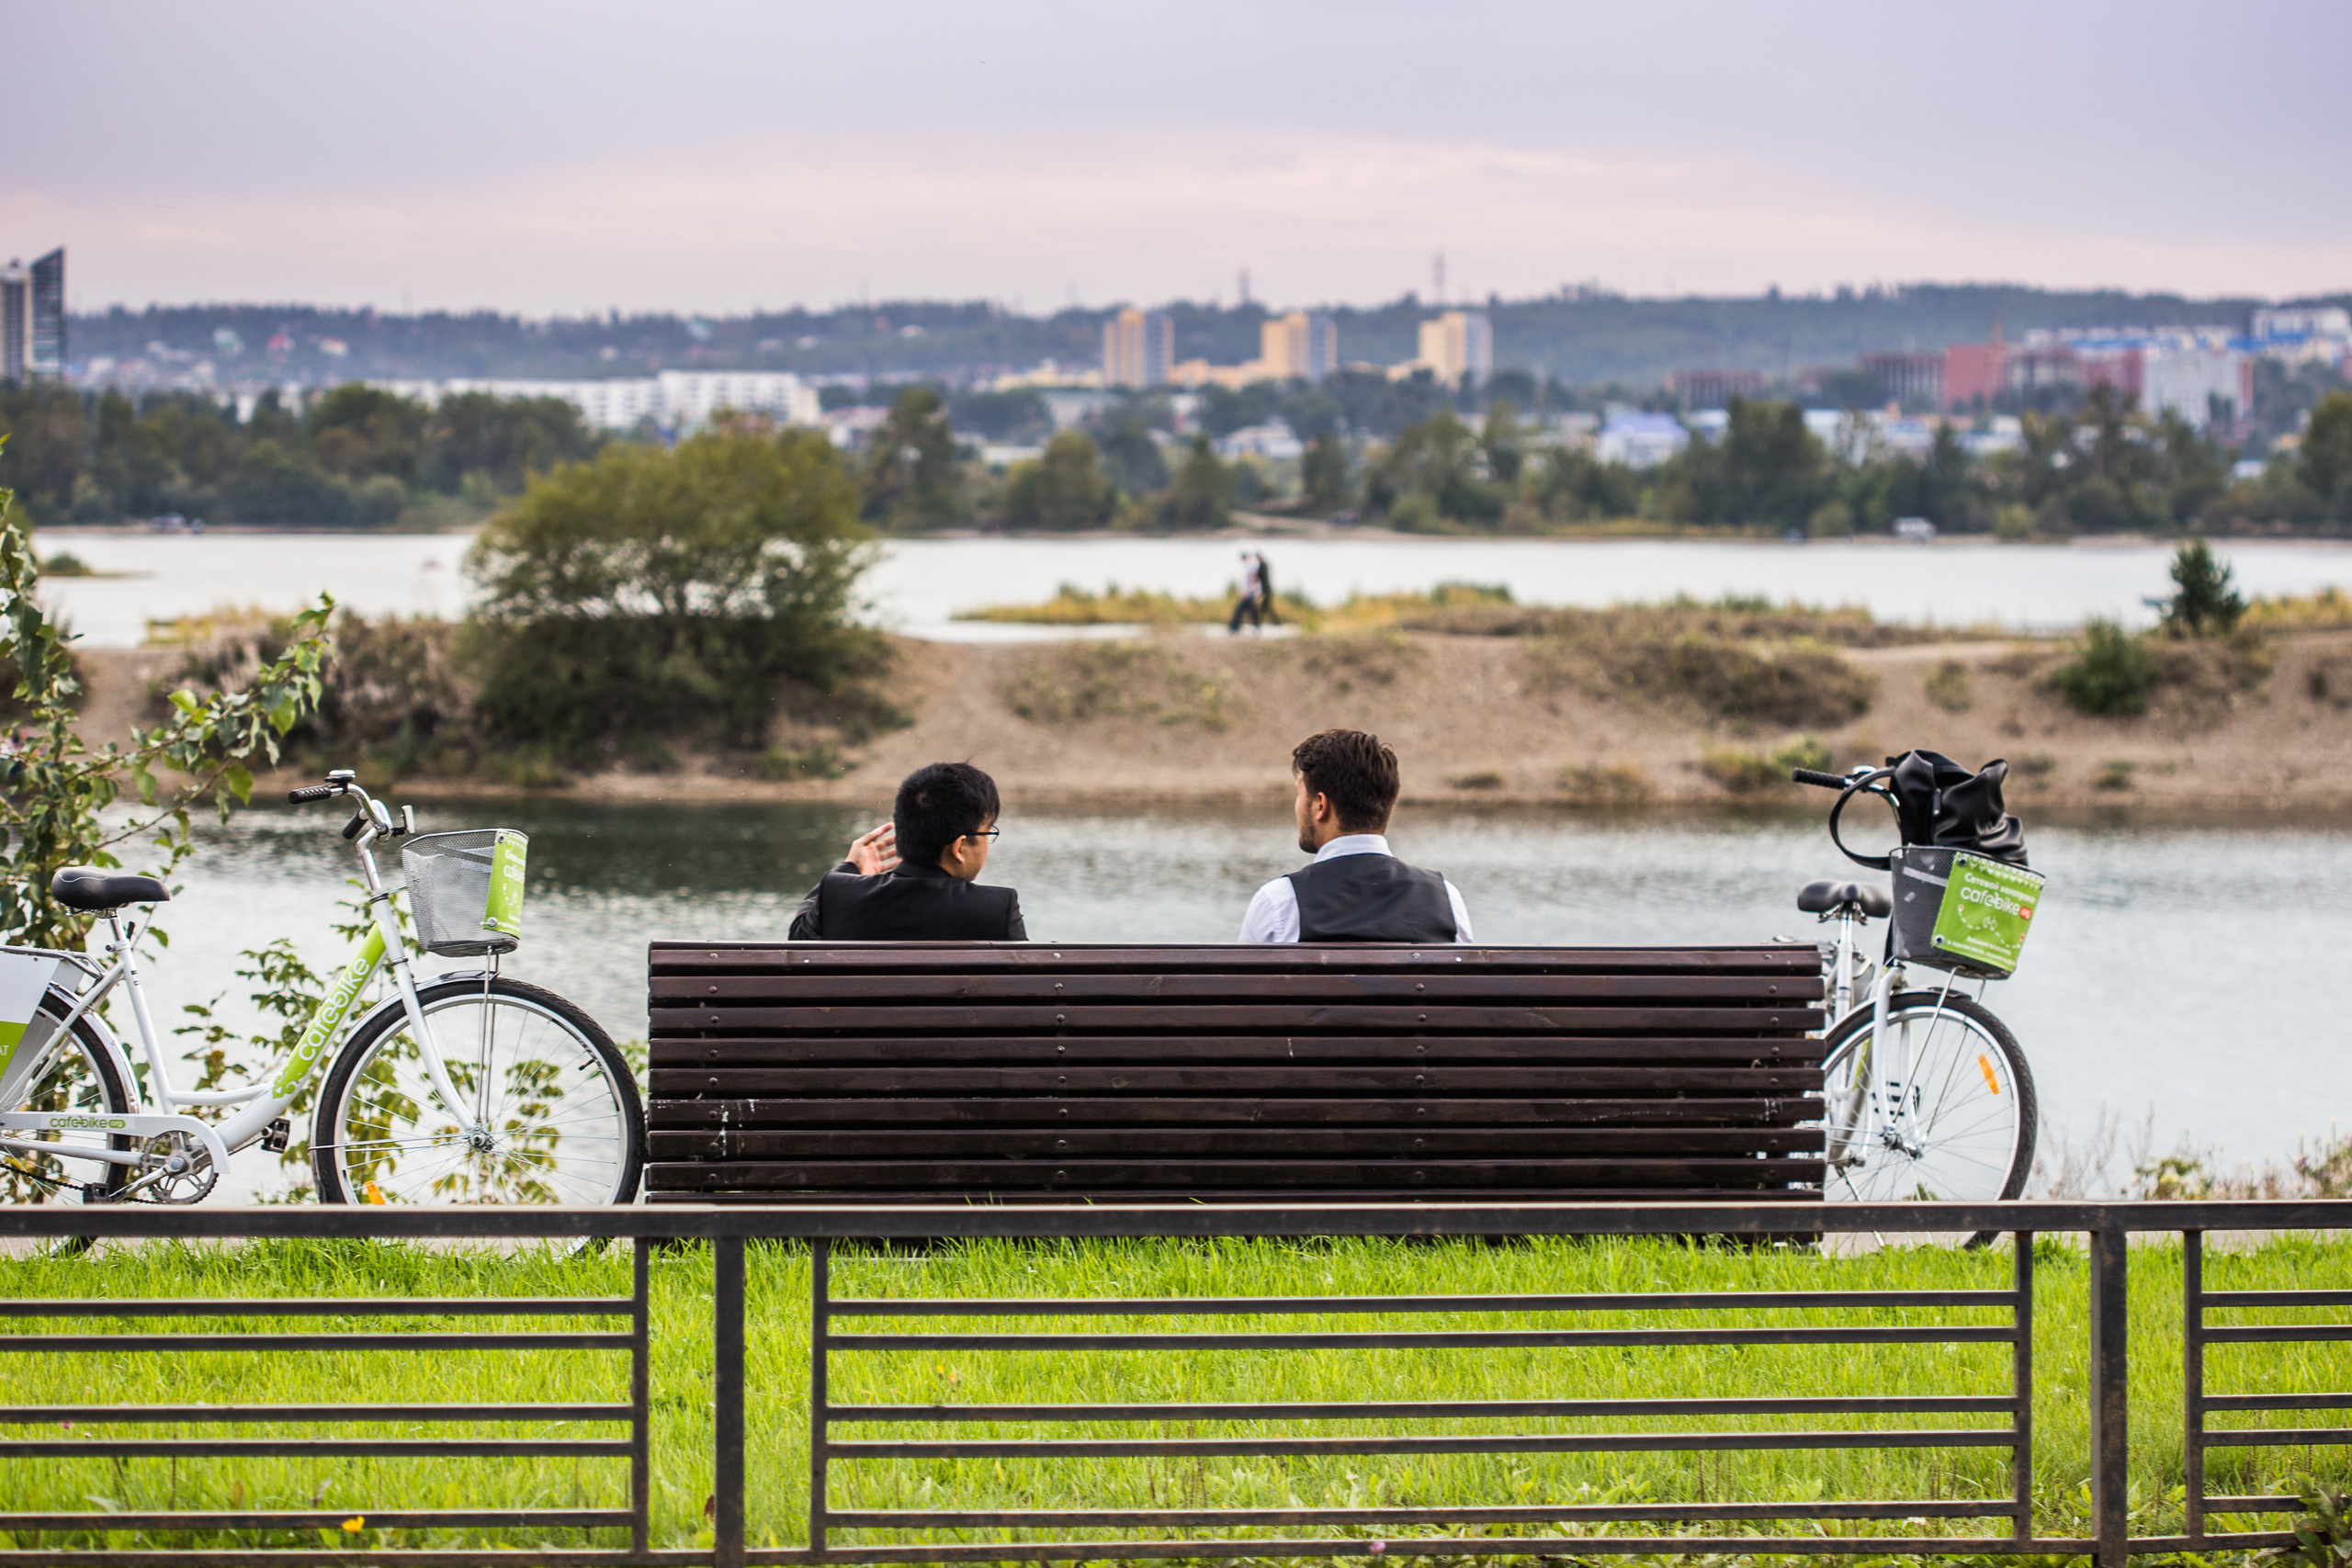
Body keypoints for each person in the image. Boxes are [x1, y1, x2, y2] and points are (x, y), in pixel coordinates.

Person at [1237, 728, 1474, 943]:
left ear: (1320, 805)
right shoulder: (1446, 899)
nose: (1297, 806)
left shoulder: (1278, 903)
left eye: (1300, 794)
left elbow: (1242, 989)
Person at [788, 761, 1026, 940]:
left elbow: (798, 940)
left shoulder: (838, 894)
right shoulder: (996, 910)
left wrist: (849, 866)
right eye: (988, 832)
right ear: (960, 847)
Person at [1227, 551, 1262, 635]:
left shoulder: (1250, 567)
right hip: (1249, 594)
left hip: (1250, 594)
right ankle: (1235, 628)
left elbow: (1253, 581)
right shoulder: (1249, 566)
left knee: (1245, 610)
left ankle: (1235, 628)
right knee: (1245, 611)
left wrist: (1249, 592)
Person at [1254, 551, 1281, 626]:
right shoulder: (1264, 565)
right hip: (1266, 591)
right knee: (1265, 608)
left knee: (1266, 608)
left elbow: (1258, 577)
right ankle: (1274, 624)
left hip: (1266, 591)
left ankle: (1276, 624)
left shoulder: (1262, 566)